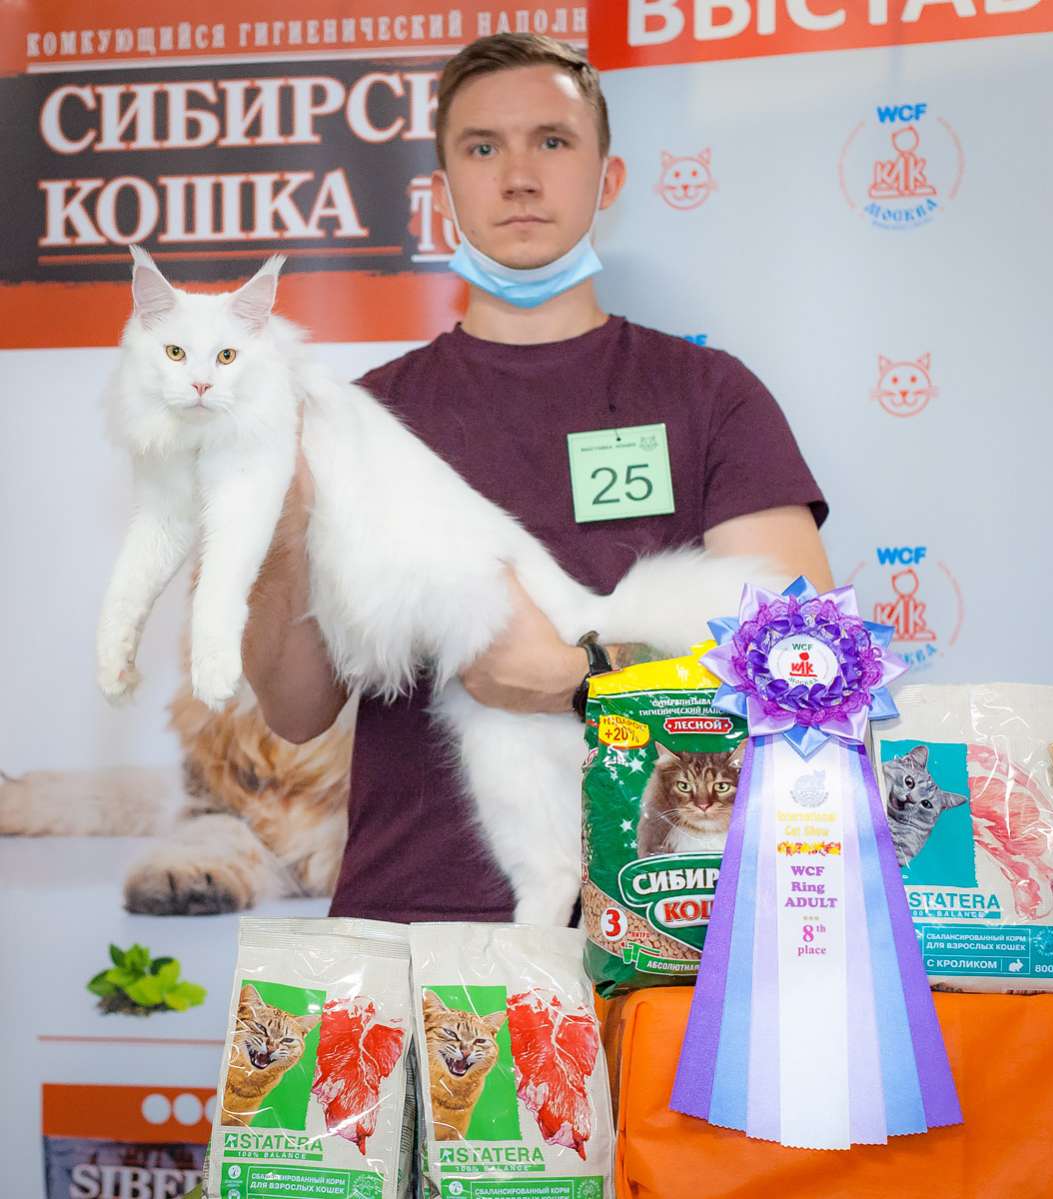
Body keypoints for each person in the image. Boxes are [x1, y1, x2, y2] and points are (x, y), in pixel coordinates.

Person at [242, 33, 832, 925]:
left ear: (609, 178)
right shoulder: (356, 419)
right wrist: (278, 526)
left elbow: (805, 671)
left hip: (657, 931)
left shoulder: (708, 393)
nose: (518, 177)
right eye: (482, 148)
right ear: (441, 191)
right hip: (411, 931)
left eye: (552, 141)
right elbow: (294, 711)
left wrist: (578, 678)